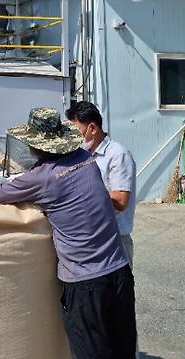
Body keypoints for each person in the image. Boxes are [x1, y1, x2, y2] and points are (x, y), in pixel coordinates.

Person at [0, 108, 141, 359]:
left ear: (36, 146)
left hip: (85, 286)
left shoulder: (44, 178)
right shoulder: (85, 160)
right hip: (119, 275)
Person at [66, 102, 137, 267]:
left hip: (114, 240)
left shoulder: (118, 155)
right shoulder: (82, 155)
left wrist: (83, 190)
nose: (72, 138)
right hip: (90, 238)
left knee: (116, 291)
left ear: (92, 128)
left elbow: (120, 201)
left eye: (76, 132)